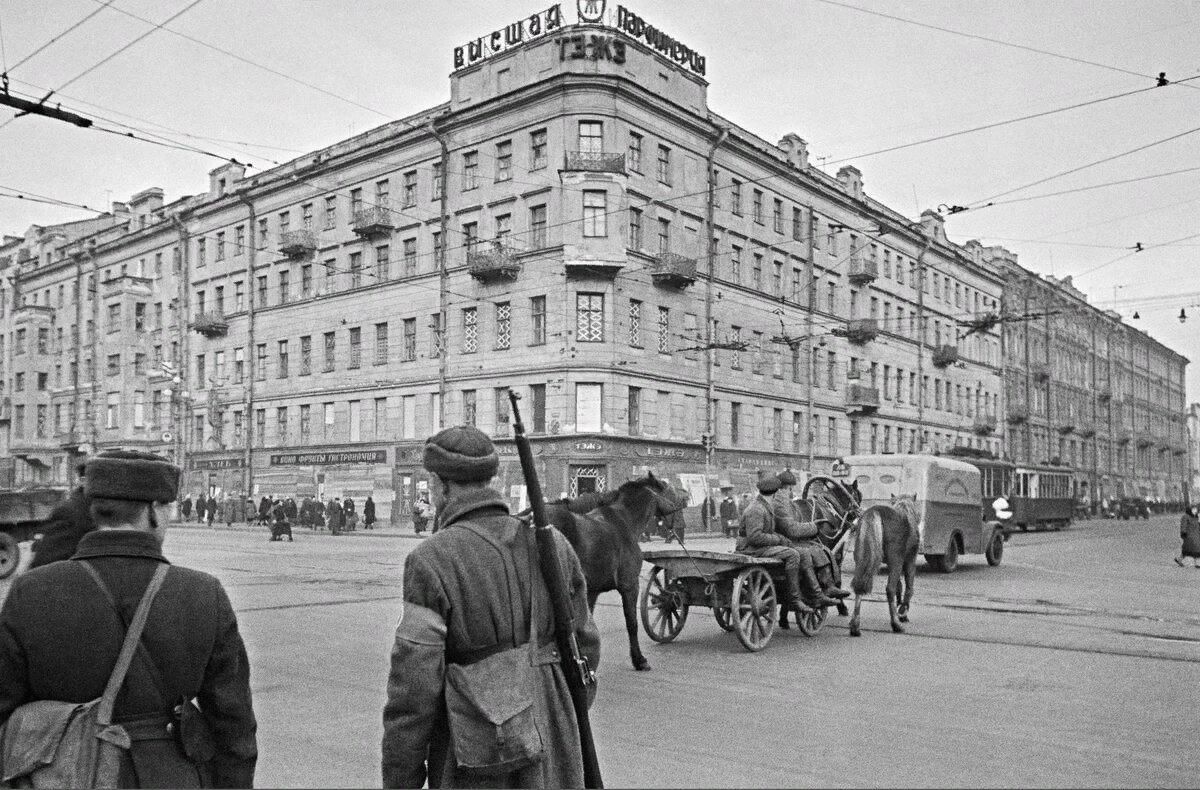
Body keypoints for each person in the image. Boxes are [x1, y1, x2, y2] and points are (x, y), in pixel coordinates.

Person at [0, 450, 258, 787]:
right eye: (166, 507)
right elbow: (233, 724)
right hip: (171, 777)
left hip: (59, 775)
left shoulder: (31, 591)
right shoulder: (203, 593)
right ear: (153, 510)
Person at [381, 425, 600, 788]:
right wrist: (554, 709)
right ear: (491, 478)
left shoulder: (430, 561)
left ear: (440, 483)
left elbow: (414, 690)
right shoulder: (555, 546)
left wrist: (399, 778)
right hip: (556, 742)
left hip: (474, 755)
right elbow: (586, 646)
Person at [735, 472, 814, 616]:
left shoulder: (763, 505)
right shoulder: (757, 509)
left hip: (757, 547)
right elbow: (755, 537)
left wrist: (782, 540)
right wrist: (778, 540)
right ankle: (795, 599)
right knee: (793, 555)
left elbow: (766, 532)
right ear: (774, 492)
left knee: (792, 549)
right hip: (751, 549)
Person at [774, 469, 845, 607]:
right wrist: (814, 527)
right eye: (791, 488)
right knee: (817, 549)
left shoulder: (781, 500)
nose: (791, 492)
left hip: (784, 539)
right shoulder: (781, 502)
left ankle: (828, 586)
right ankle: (823, 589)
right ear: (788, 487)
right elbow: (792, 530)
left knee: (817, 548)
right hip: (786, 541)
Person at [29, 461, 95, 569]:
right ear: (83, 481)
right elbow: (45, 563)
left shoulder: (109, 509)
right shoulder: (69, 513)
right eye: (98, 480)